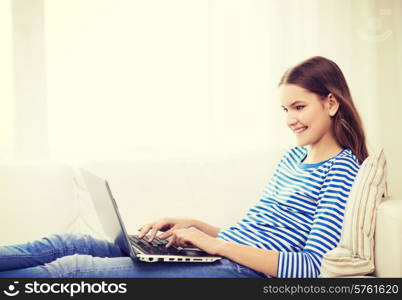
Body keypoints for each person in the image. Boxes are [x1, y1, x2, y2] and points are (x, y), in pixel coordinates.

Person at [0, 56, 368, 278]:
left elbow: (310, 268)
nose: (290, 119)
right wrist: (197, 228)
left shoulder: (342, 171)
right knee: (69, 242)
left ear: (332, 103)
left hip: (238, 271)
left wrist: (215, 246)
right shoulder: (294, 158)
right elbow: (265, 231)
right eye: (285, 109)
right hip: (223, 255)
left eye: (299, 107)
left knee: (72, 271)